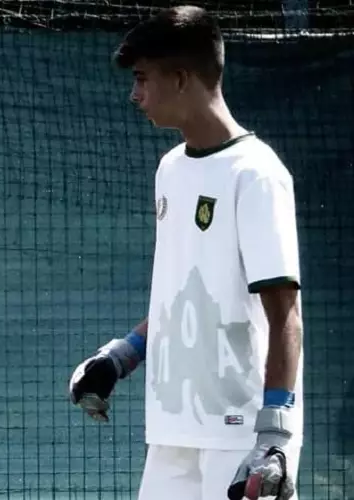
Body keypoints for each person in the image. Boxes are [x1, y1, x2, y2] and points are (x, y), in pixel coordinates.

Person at [69, 5, 304, 500]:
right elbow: (185, 294)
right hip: (171, 429)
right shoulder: (170, 169)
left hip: (241, 436)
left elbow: (285, 315)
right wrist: (120, 357)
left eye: (142, 78)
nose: (134, 94)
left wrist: (275, 437)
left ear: (180, 79)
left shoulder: (257, 174)